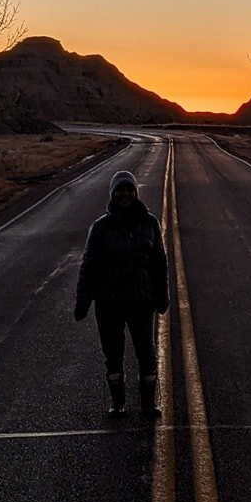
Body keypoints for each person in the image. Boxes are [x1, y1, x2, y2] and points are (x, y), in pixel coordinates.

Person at [74, 167, 169, 416]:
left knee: (146, 354)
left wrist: (162, 296)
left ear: (135, 192)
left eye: (129, 189)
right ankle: (117, 404)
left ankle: (149, 404)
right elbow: (89, 267)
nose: (125, 194)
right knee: (113, 357)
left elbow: (159, 263)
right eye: (120, 190)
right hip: (109, 305)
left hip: (141, 302)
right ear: (113, 194)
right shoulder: (100, 228)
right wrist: (82, 301)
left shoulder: (150, 223)